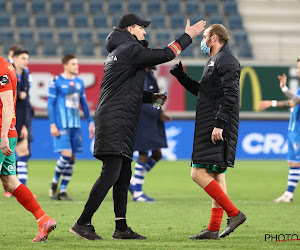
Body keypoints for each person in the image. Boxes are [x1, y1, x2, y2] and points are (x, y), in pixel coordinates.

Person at [69, 13, 206, 240]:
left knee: (123, 175)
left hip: (115, 118)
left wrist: (153, 98)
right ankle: (82, 223)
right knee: (110, 173)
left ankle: (121, 228)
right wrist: (187, 37)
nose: (145, 32)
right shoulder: (129, 51)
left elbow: (124, 92)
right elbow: (164, 54)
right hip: (116, 120)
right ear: (131, 28)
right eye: (142, 28)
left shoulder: (118, 53)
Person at [170, 24, 247, 240]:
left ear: (213, 37)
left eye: (204, 37)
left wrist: (220, 124)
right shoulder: (216, 59)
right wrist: (182, 78)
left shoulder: (227, 60)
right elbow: (205, 92)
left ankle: (234, 214)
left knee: (197, 173)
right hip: (210, 122)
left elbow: (231, 95)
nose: (202, 41)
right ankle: (213, 228)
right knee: (217, 174)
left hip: (217, 125)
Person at [0, 56, 56, 242]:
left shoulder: (1, 69)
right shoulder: (7, 66)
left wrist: (3, 136)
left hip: (3, 133)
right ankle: (43, 219)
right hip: (8, 132)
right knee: (10, 182)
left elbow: (8, 104)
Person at [47, 54, 95, 201]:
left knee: (73, 158)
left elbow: (84, 105)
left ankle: (62, 191)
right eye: (74, 64)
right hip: (62, 125)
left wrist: (90, 121)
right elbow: (50, 104)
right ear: (65, 65)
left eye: (77, 64)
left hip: (76, 125)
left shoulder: (80, 83)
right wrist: (53, 124)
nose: (77, 66)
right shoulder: (56, 82)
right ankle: (55, 181)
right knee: (66, 155)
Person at [258, 58, 300, 203]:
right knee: (293, 163)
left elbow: (292, 103)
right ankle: (288, 194)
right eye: (298, 68)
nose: (298, 70)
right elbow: (295, 99)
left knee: (296, 163)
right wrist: (284, 88)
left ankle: (288, 194)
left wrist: (271, 103)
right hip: (294, 131)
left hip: (299, 132)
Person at [129, 66, 171, 202]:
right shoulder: (141, 75)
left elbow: (154, 99)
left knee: (157, 154)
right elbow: (142, 100)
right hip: (143, 119)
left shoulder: (151, 75)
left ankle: (133, 181)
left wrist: (161, 110)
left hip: (153, 119)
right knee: (144, 153)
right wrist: (159, 112)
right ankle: (138, 193)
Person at [4, 49, 34, 198]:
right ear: (14, 58)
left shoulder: (26, 74)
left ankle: (19, 189)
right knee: (20, 153)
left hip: (22, 119)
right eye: (23, 58)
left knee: (23, 154)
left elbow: (25, 103)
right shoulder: (9, 73)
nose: (26, 61)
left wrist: (25, 124)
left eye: (27, 58)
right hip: (11, 120)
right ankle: (16, 189)